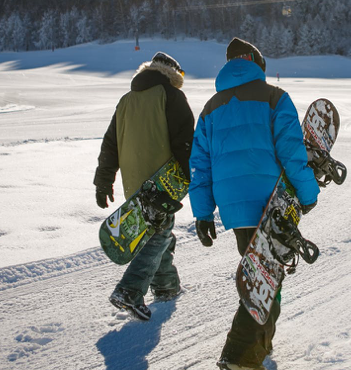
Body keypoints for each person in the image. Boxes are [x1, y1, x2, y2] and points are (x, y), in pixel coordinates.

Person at [189, 37, 319, 370]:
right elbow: (292, 153)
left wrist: (203, 213)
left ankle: (260, 345)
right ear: (256, 64)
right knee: (265, 279)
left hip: (235, 210)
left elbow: (199, 166)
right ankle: (240, 354)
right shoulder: (275, 97)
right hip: (270, 204)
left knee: (262, 273)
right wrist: (307, 195)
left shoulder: (210, 108)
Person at [93, 51, 195, 321]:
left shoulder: (126, 100)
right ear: (172, 73)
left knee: (157, 231)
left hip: (134, 182)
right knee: (159, 233)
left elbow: (110, 144)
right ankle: (130, 290)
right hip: (162, 181)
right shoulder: (171, 96)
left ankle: (166, 286)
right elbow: (185, 143)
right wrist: (190, 178)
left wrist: (104, 180)